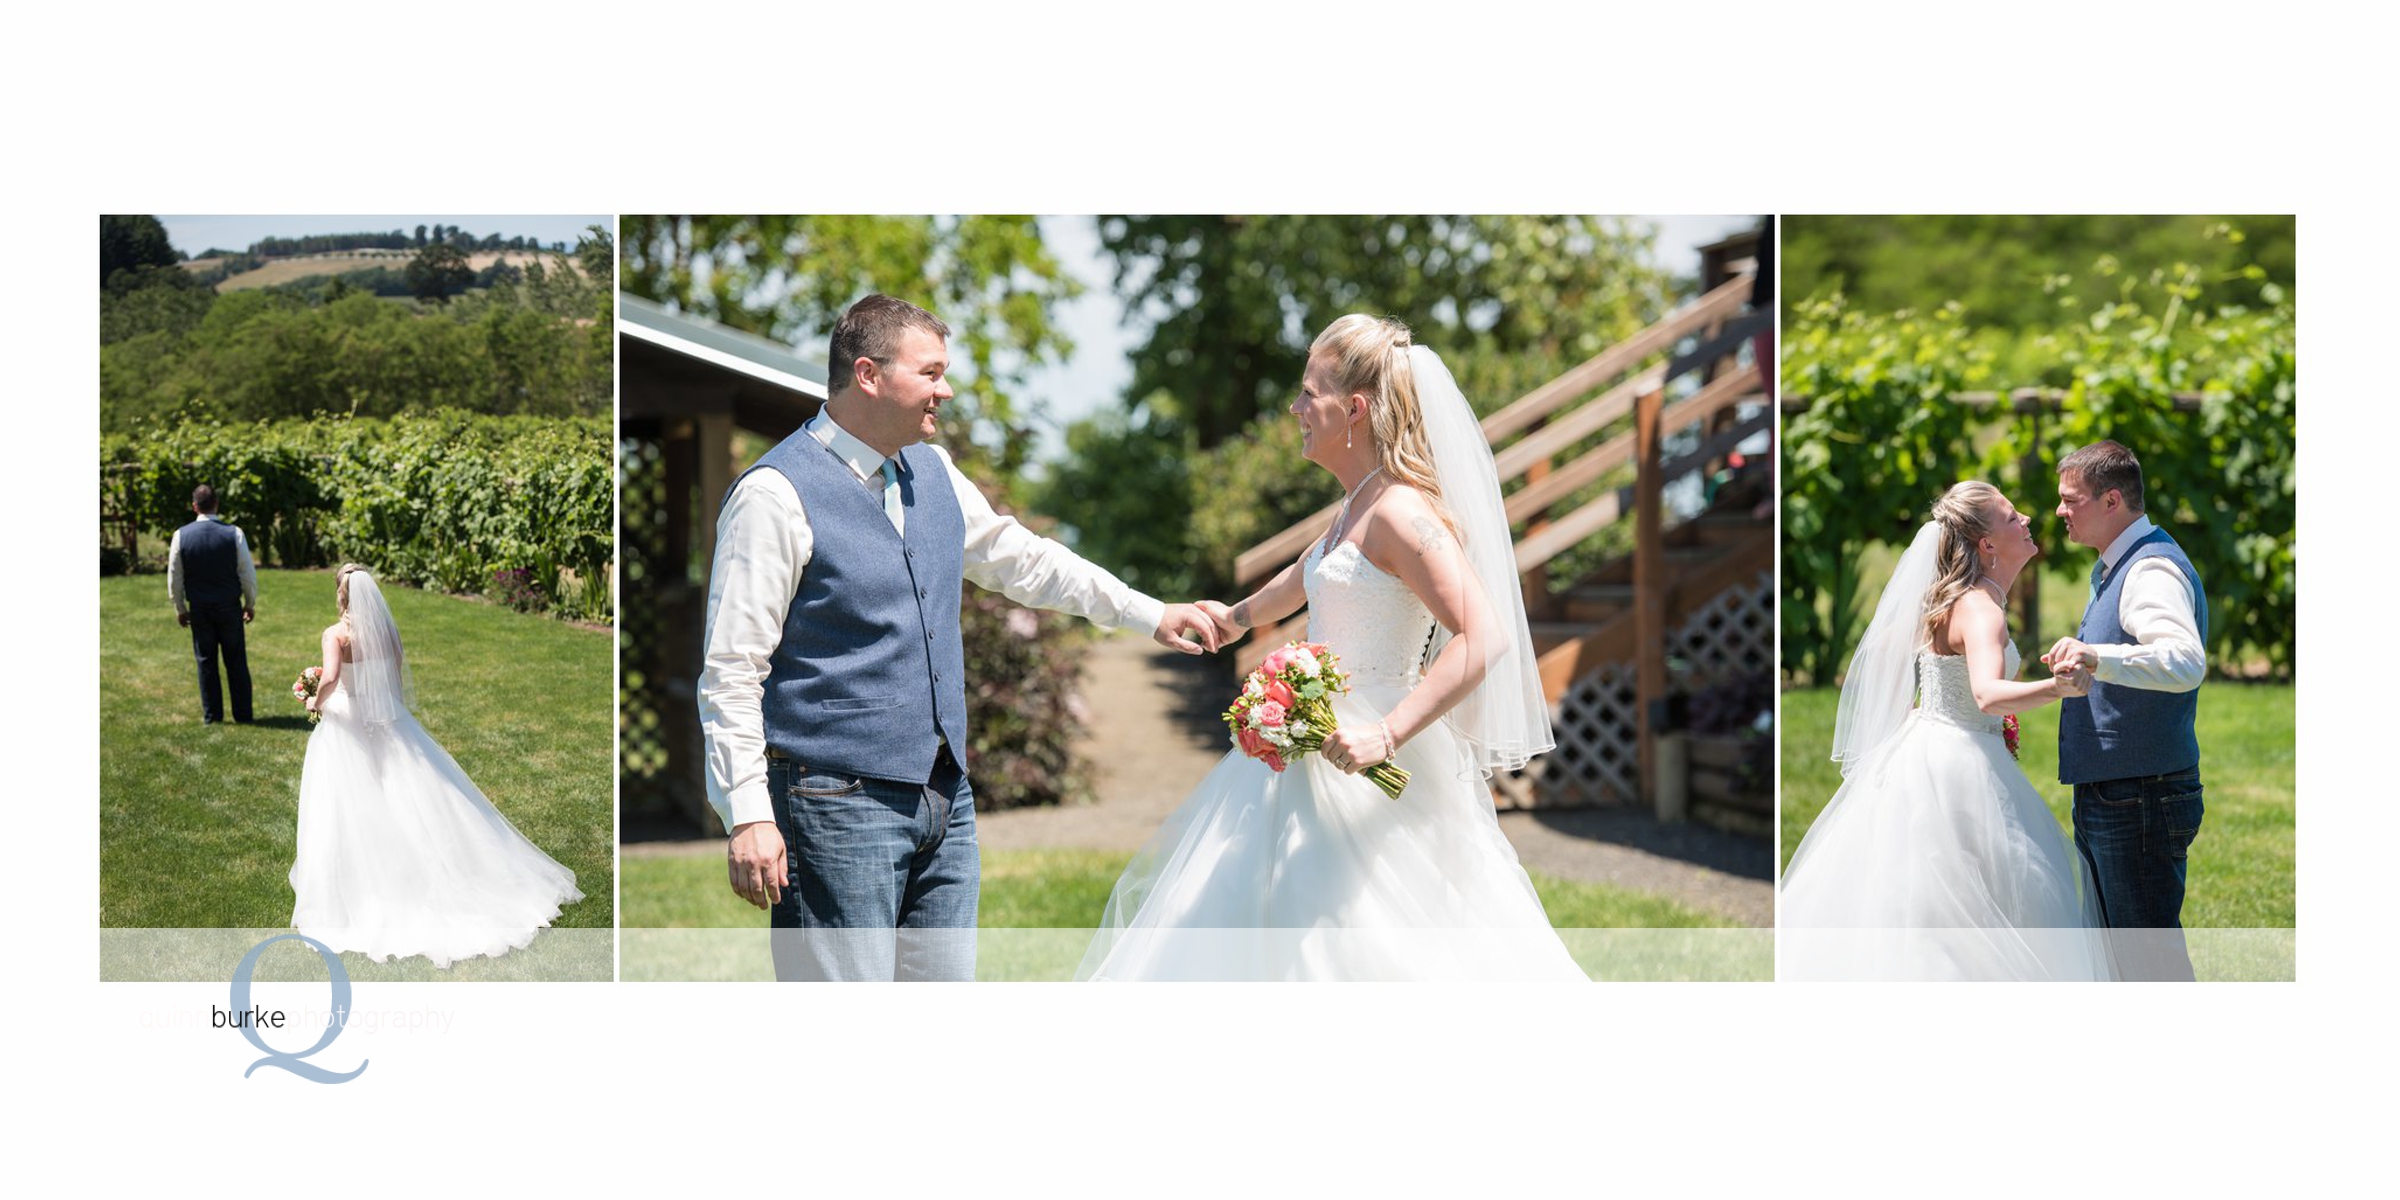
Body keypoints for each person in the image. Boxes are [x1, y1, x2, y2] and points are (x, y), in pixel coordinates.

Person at [698, 294, 1224, 982]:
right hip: (830, 804)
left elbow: (1026, 561)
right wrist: (746, 813)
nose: (946, 390)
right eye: (932, 372)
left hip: (944, 799)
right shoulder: (774, 495)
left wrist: (1149, 612)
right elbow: (732, 668)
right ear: (868, 375)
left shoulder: (933, 472)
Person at [1075, 315, 1586, 981]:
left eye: (1307, 394)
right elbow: (1312, 573)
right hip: (1310, 753)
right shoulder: (1358, 504)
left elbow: (1483, 635)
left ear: (1355, 409)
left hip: (1372, 752)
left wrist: (1387, 734)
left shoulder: (1404, 513)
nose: (1295, 408)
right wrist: (1234, 619)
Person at [1780, 482, 2113, 981]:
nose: (2026, 519)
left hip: (1929, 748)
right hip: (1962, 764)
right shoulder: (1982, 608)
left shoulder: (1950, 601)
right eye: (2010, 516)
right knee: (1984, 900)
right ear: (1987, 545)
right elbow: (1986, 695)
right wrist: (2059, 688)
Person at [288, 565, 583, 967]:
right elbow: (393, 671)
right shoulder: (386, 631)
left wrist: (314, 700)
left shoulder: (335, 635)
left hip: (348, 725)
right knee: (410, 793)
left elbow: (333, 678)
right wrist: (385, 708)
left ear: (340, 596)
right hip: (387, 719)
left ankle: (364, 885)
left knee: (348, 803)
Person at [2043, 440, 2208, 981]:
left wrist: (2096, 654)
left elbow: (2184, 660)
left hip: (2140, 795)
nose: (2061, 512)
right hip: (2123, 790)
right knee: (2120, 963)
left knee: (2147, 967)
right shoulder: (2120, 565)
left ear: (2111, 501)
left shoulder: (2149, 570)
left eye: (2072, 501)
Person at [168, 484, 257, 724]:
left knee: (206, 662)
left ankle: (213, 716)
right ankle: (243, 715)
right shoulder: (234, 533)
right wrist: (249, 603)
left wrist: (180, 608)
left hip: (199, 607)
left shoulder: (181, 536)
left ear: (194, 506)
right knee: (236, 661)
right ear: (216, 504)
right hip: (229, 605)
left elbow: (174, 577)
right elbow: (246, 573)